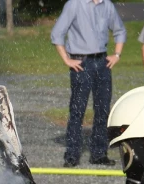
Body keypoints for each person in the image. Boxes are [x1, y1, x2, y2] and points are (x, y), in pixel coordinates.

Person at [51, 0, 126, 168]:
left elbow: (120, 30)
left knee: (103, 109)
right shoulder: (74, 4)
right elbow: (57, 34)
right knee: (77, 110)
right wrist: (66, 59)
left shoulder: (107, 5)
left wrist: (117, 54)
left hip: (103, 62)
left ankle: (99, 154)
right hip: (81, 63)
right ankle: (72, 155)